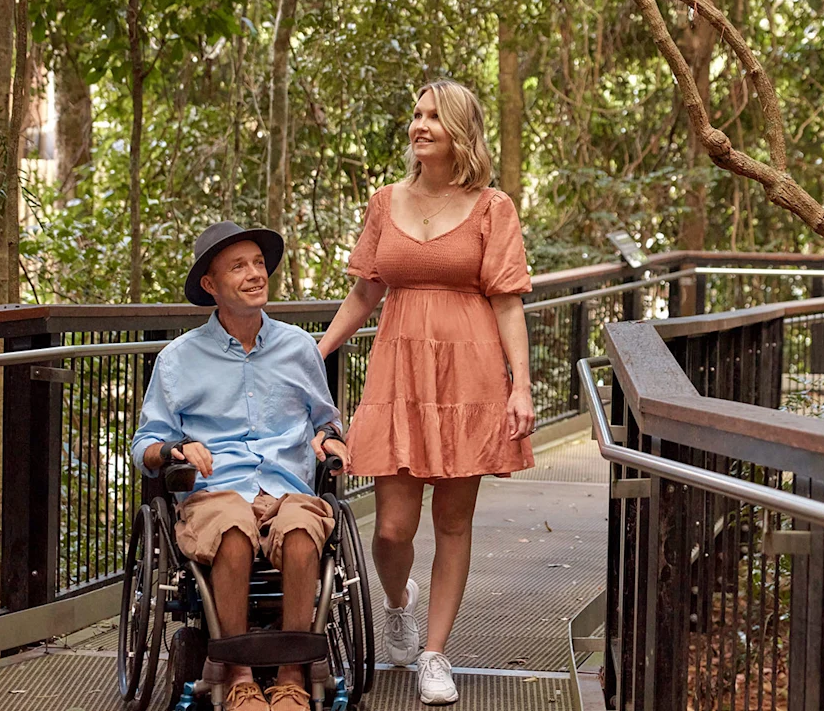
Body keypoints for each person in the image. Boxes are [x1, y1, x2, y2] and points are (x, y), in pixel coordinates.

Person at [316, 79, 536, 706]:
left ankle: (436, 654)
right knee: (391, 529)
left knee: (454, 522)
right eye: (415, 113)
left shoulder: (493, 207)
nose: (419, 124)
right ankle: (397, 603)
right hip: (399, 373)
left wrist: (520, 386)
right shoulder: (385, 203)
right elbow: (366, 291)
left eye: (434, 116)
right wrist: (317, 351)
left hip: (469, 376)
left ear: (459, 129)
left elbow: (508, 302)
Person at [132, 222, 350, 711]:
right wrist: (175, 452)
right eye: (238, 267)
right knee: (231, 527)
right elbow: (146, 444)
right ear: (210, 286)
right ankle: (239, 677)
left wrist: (329, 439)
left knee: (300, 530)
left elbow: (326, 420)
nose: (255, 274)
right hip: (216, 493)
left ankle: (293, 675)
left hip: (288, 490)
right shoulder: (177, 360)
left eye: (258, 263)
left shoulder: (298, 348)